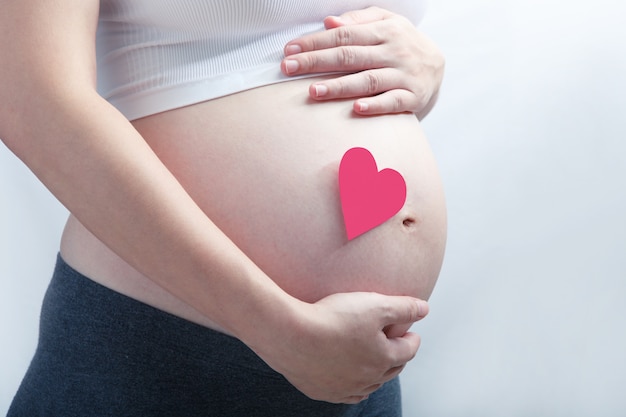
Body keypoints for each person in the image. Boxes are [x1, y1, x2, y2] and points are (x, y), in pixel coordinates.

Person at [1, 1, 446, 416]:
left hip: (360, 372)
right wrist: (275, 327)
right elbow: (28, 96)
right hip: (161, 353)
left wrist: (426, 68)